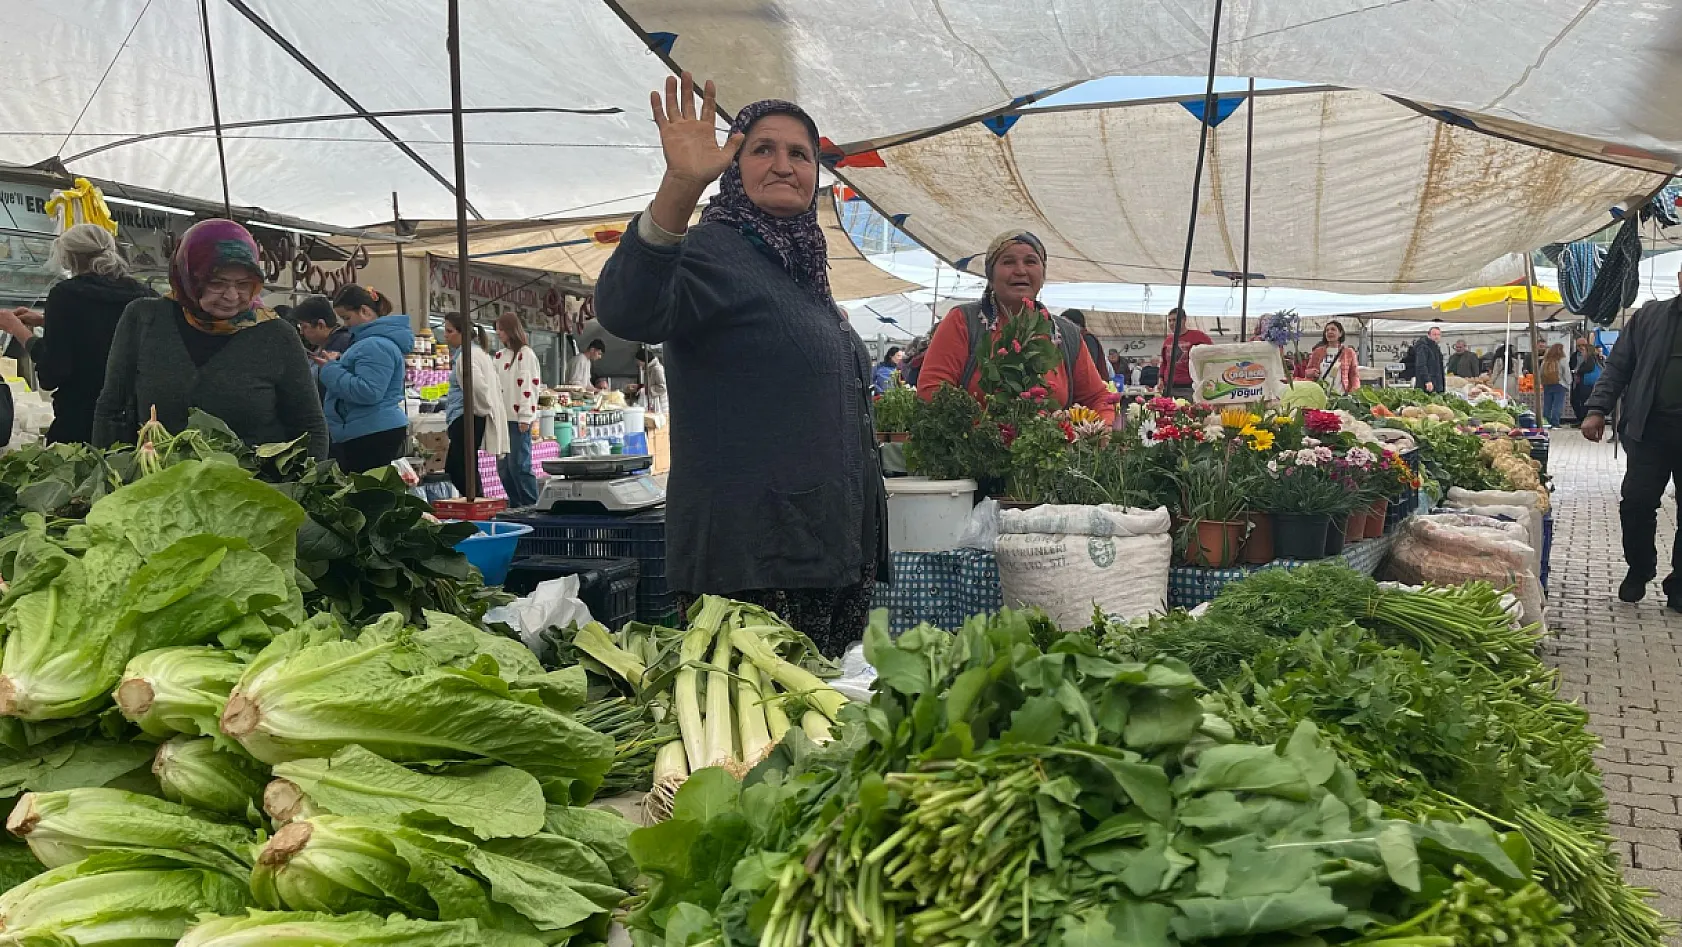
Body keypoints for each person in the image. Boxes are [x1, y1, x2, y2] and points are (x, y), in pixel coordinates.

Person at [594, 74, 887, 656]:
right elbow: (628, 308)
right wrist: (679, 185)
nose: (784, 165)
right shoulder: (713, 249)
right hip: (754, 558)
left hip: (828, 552)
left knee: (826, 736)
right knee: (769, 740)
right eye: (762, 149)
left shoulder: (802, 271)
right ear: (734, 166)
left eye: (800, 154)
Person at [92, 219, 326, 457]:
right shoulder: (144, 319)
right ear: (189, 277)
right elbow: (112, 408)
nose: (232, 295)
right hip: (156, 486)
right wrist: (109, 473)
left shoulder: (276, 335)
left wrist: (302, 488)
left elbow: (310, 426)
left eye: (244, 284)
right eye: (217, 283)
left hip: (250, 488)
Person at [916, 232, 1116, 422]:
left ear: (1043, 274)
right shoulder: (963, 321)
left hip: (1048, 453)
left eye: (1030, 261)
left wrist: (1099, 428)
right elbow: (932, 389)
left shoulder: (1066, 334)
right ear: (991, 277)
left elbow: (1097, 397)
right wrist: (983, 432)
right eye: (1008, 262)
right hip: (973, 452)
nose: (1020, 270)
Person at [0, 224, 155, 445]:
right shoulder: (145, 294)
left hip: (80, 425)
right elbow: (107, 328)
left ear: (67, 259)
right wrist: (48, 321)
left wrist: (16, 328)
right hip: (136, 426)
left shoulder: (65, 295)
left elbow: (52, 373)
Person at [1584, 276, 1682, 607]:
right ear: (1681, 279)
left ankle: (1679, 583)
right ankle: (1639, 569)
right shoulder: (1649, 316)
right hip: (1649, 429)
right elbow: (1618, 366)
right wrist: (1597, 409)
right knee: (1637, 504)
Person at [312, 284, 412, 472]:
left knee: (365, 493)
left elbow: (369, 391)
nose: (345, 324)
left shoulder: (374, 345)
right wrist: (340, 363)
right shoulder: (371, 343)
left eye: (347, 318)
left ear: (365, 311)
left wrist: (331, 370)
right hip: (369, 427)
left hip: (370, 431)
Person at [441, 311, 509, 496]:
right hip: (467, 416)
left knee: (459, 468)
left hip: (466, 417)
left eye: (449, 331)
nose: (445, 335)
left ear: (461, 333)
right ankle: (476, 501)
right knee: (465, 467)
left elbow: (477, 387)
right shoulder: (478, 353)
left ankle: (476, 502)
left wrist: (480, 410)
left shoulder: (467, 357)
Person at [493, 313, 541, 508]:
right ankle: (516, 504)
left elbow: (528, 387)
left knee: (519, 466)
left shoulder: (526, 354)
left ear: (511, 330)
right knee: (504, 468)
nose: (498, 333)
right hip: (501, 420)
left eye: (501, 329)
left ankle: (531, 505)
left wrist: (525, 417)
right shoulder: (499, 357)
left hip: (518, 420)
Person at [1297, 320, 1360, 394]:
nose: (1329, 332)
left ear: (1340, 333)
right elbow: (1307, 372)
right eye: (1327, 330)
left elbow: (1354, 375)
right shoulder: (1317, 352)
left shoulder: (1349, 352)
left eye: (1333, 329)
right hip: (1320, 394)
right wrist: (1312, 372)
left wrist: (1355, 391)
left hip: (1341, 396)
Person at [1160, 315, 1211, 397]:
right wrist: (1160, 378)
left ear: (1184, 320)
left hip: (1189, 386)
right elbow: (1164, 362)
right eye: (1169, 320)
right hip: (1169, 387)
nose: (1171, 323)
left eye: (1174, 320)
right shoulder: (1168, 340)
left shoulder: (1198, 336)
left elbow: (1212, 353)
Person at [1061, 309, 1112, 382]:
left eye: (1065, 323)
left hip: (1091, 383)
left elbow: (1089, 365)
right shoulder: (1071, 340)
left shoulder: (1087, 338)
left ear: (1077, 324)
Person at [1570, 336, 1603, 426]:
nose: (1580, 348)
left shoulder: (1591, 357)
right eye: (1579, 345)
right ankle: (1581, 419)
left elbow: (1589, 367)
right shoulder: (1574, 356)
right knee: (1576, 400)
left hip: (1587, 382)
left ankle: (1585, 421)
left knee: (1585, 402)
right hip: (1578, 382)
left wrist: (1578, 371)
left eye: (1583, 346)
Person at [1404, 326, 1447, 393]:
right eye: (1434, 334)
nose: (1437, 337)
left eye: (1438, 334)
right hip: (1426, 385)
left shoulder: (1436, 348)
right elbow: (1421, 365)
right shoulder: (1423, 347)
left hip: (1436, 383)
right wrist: (1427, 380)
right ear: (1429, 335)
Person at [1538, 342, 1571, 427]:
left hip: (1547, 384)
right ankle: (1555, 422)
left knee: (1547, 404)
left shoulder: (1546, 359)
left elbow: (1541, 372)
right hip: (1559, 384)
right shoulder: (1562, 359)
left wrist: (1542, 382)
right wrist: (1569, 382)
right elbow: (1566, 372)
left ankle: (1545, 421)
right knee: (1557, 404)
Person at [635, 346, 669, 415]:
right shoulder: (647, 369)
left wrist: (646, 390)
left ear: (644, 360)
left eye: (638, 361)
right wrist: (639, 386)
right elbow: (651, 384)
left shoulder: (657, 369)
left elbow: (663, 387)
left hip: (660, 403)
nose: (637, 363)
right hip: (653, 401)